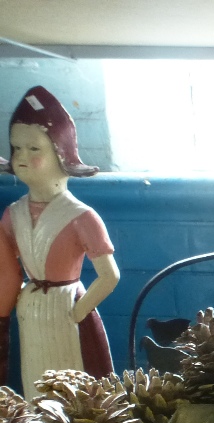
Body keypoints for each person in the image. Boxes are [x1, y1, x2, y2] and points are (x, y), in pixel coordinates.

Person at [0, 86, 119, 399]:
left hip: (67, 307)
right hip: (31, 309)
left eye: (34, 149)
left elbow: (110, 275)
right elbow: (7, 271)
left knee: (78, 386)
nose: (22, 156)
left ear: (60, 153)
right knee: (36, 383)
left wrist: (78, 312)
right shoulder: (13, 215)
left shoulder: (81, 215)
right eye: (16, 148)